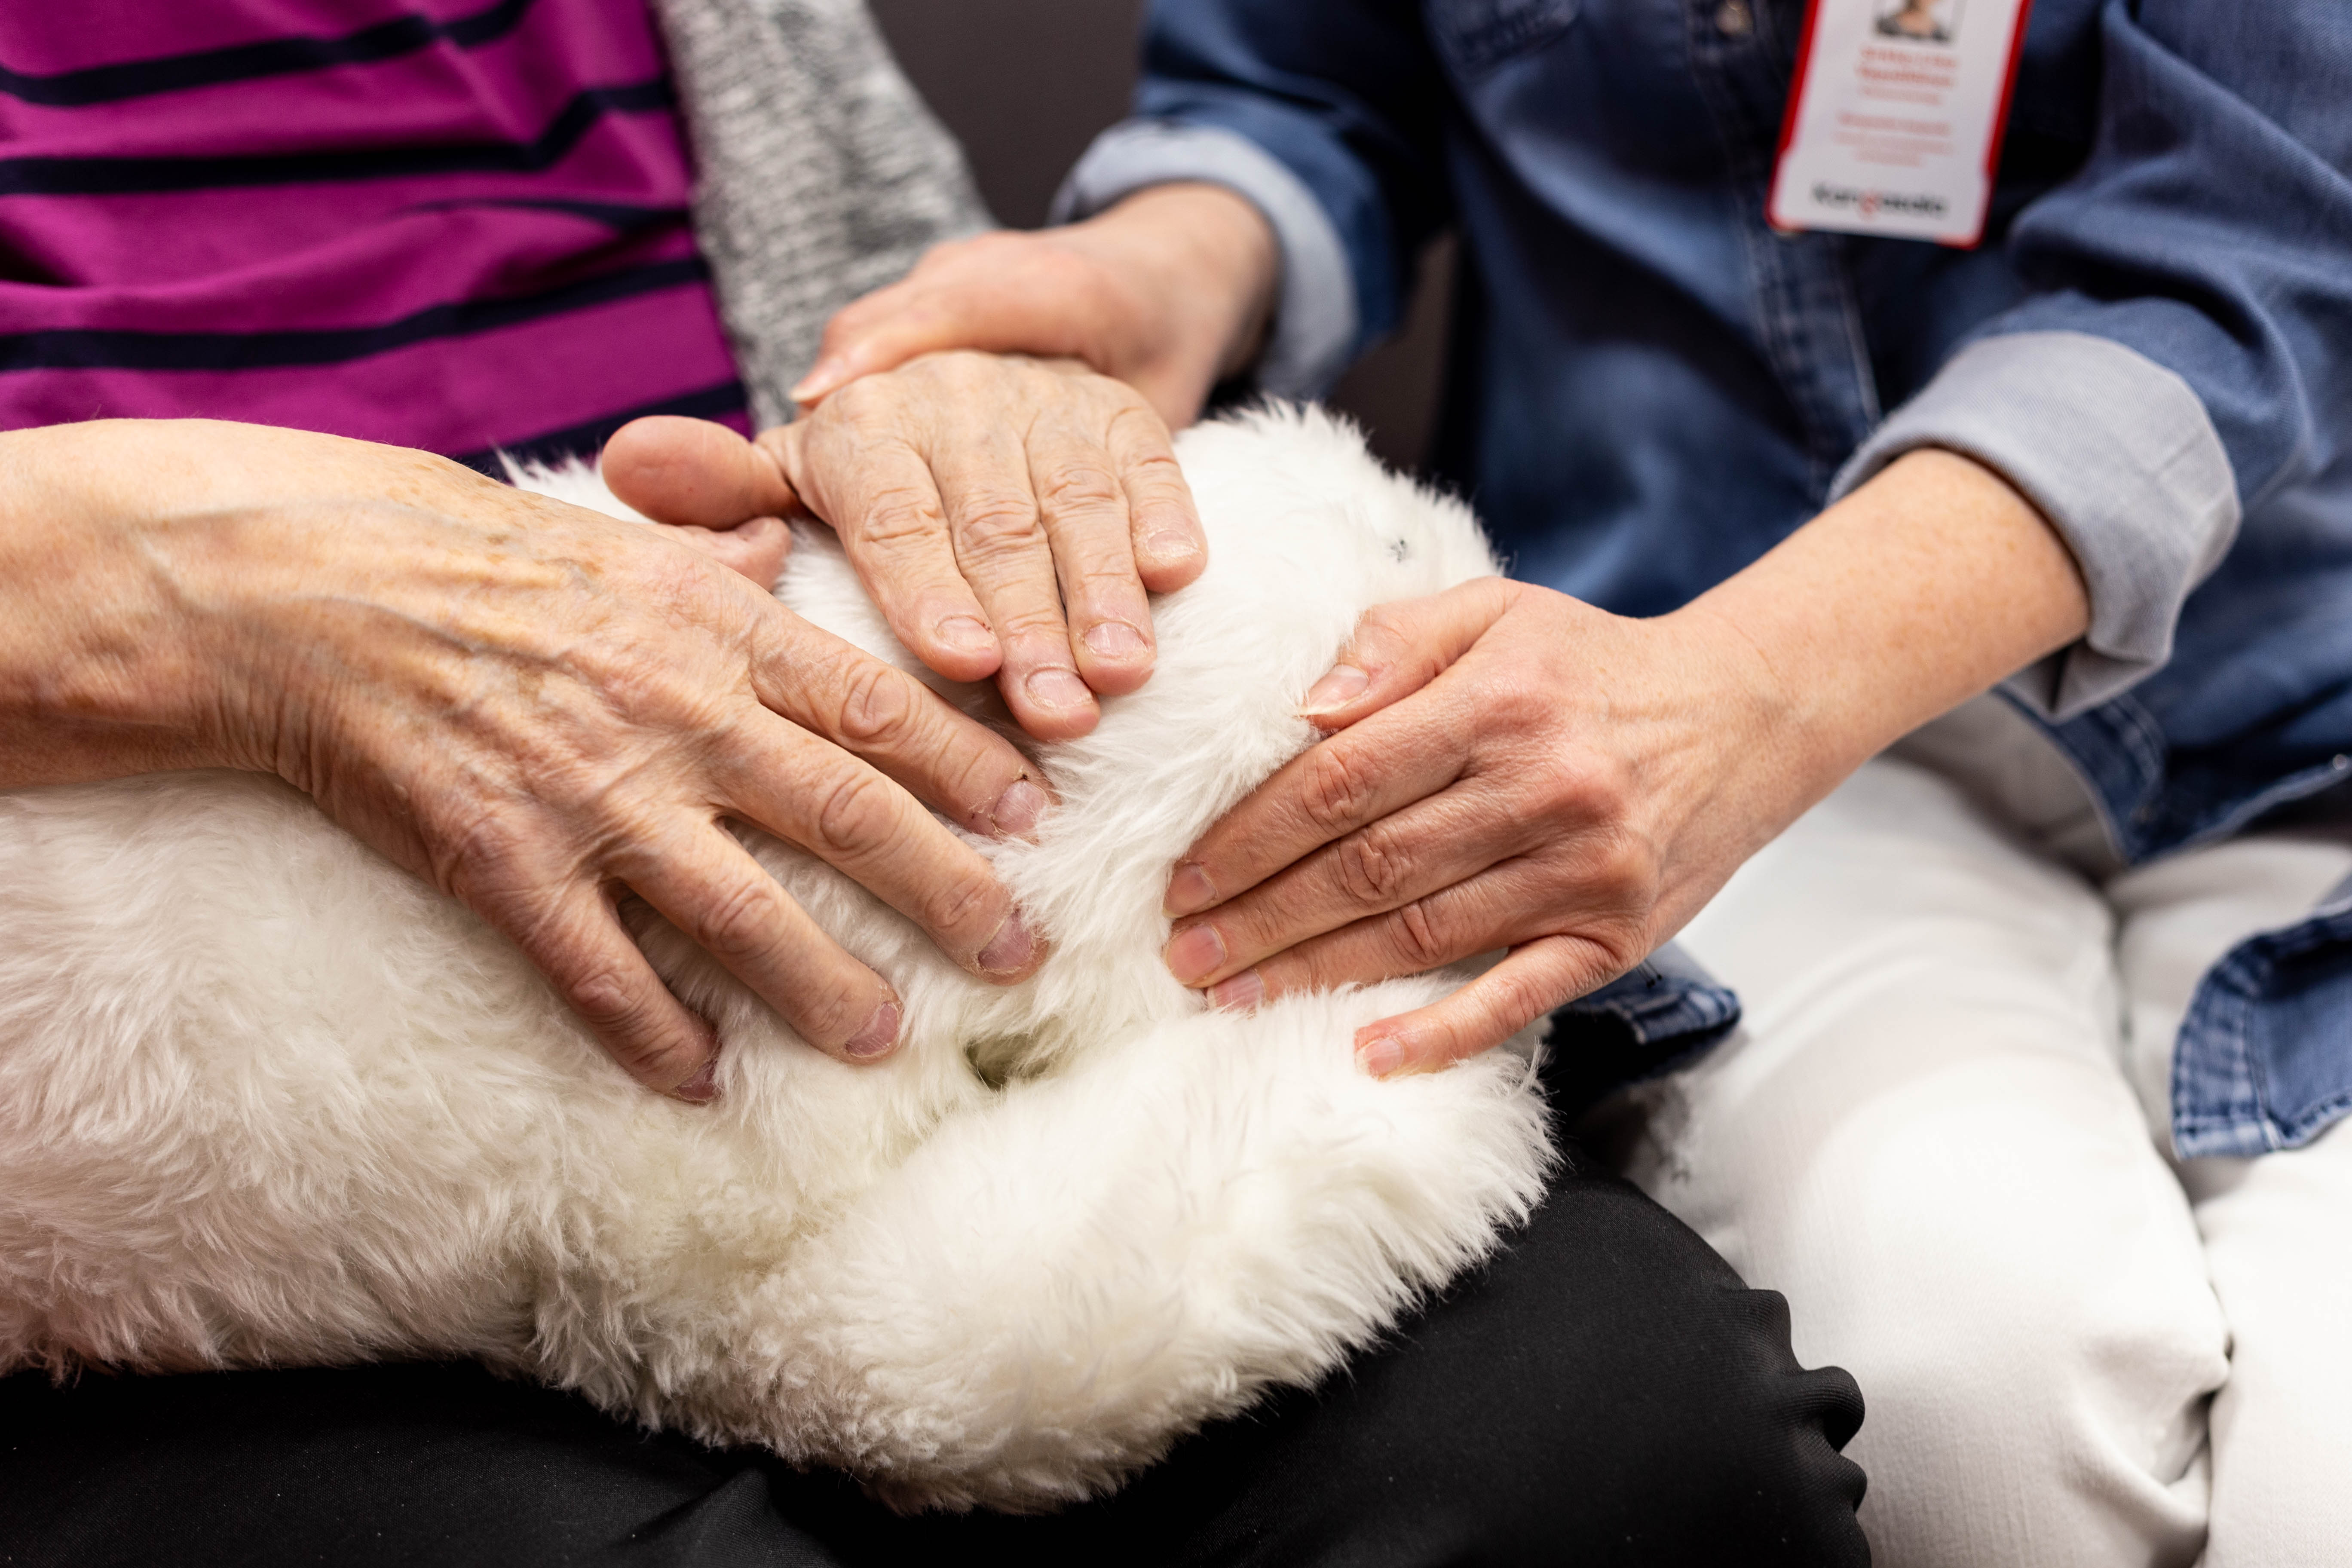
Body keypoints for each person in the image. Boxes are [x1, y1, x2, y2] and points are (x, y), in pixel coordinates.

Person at [0, 2, 1869, 1562]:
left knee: (1626, 1431)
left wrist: (955, 417)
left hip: (900, 1026)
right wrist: (185, 585)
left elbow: (902, 338)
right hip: (163, 1146)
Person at [693, 2, 2352, 1563]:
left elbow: (2266, 228)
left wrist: (1746, 695)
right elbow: (1296, 92)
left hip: (2255, 717)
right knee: (1973, 1416)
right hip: (1686, 693)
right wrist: (1161, 264)